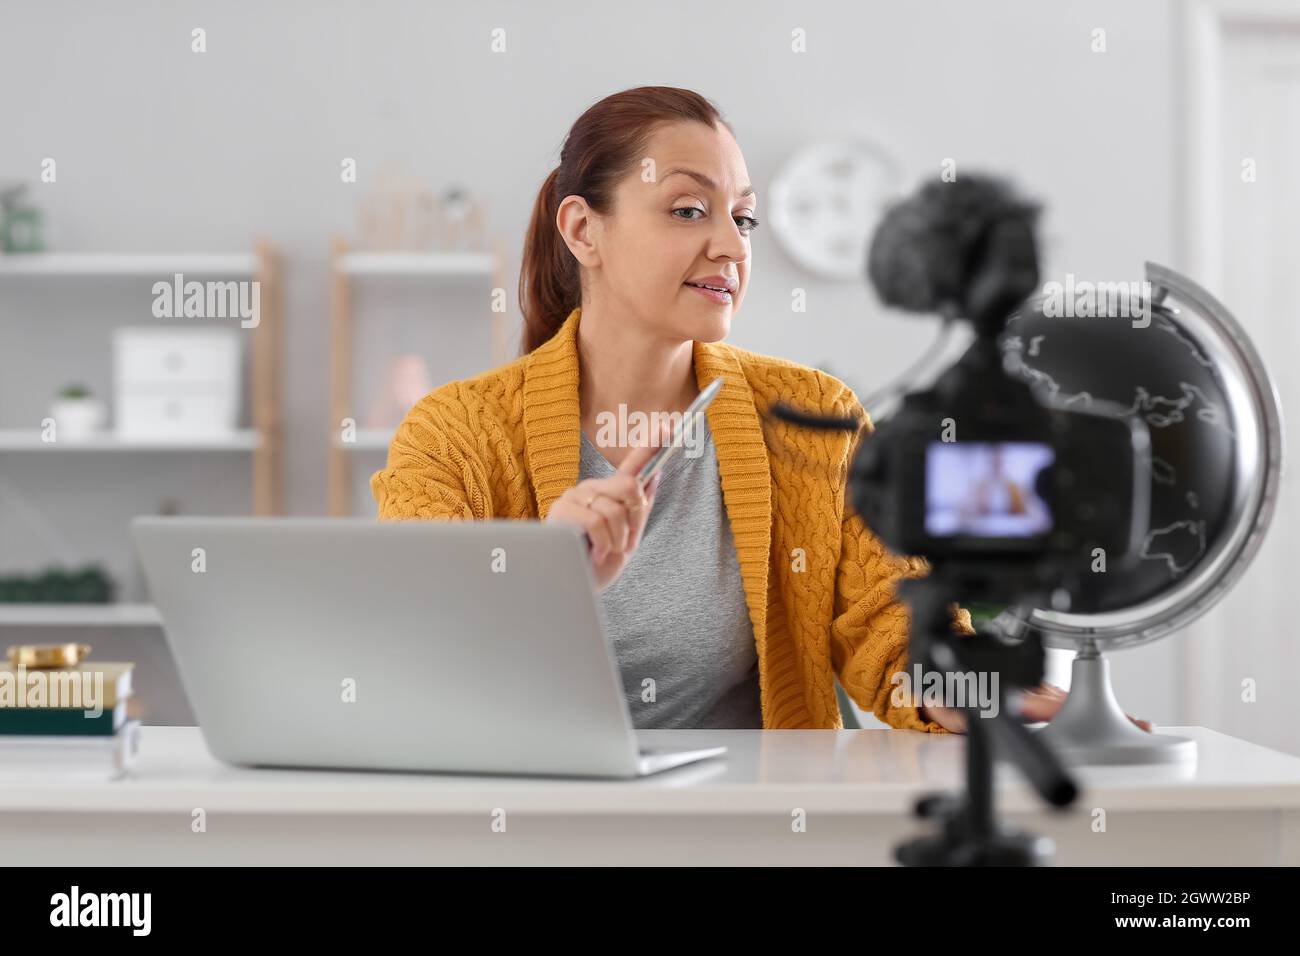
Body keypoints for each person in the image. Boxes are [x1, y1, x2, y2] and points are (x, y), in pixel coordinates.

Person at [370, 85, 1151, 735]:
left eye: (741, 217)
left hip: (752, 825)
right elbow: (412, 665)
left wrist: (977, 695)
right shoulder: (455, 436)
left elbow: (890, 628)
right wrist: (548, 577)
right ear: (583, 230)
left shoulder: (809, 412)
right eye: (688, 211)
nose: (733, 248)